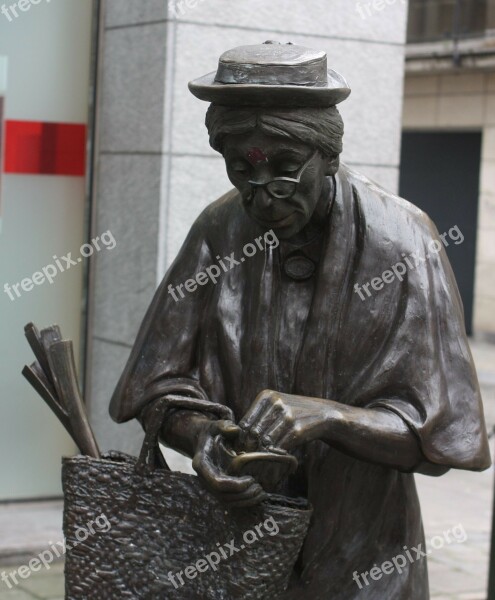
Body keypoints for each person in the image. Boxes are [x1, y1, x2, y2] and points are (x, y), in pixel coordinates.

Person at [110, 42, 491, 599]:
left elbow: (442, 440)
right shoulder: (220, 228)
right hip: (238, 553)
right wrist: (204, 438)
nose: (263, 200)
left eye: (287, 173)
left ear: (328, 156)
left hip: (366, 557)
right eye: (243, 173)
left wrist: (331, 418)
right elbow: (153, 387)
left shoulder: (404, 241)